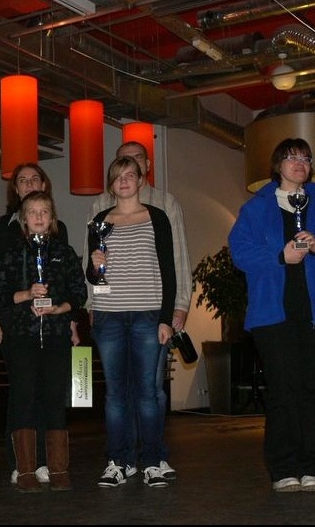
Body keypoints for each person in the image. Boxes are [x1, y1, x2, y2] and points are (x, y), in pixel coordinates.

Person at [228, 138, 315, 493]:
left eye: (306, 158)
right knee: (283, 390)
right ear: (277, 165)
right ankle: (283, 468)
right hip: (273, 314)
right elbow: (240, 253)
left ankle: (312, 468)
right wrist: (280, 256)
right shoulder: (255, 208)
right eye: (292, 157)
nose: (300, 163)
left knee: (314, 391)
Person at [85, 140, 192, 481]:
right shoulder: (99, 220)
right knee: (116, 394)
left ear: (142, 178)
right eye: (118, 175)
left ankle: (152, 462)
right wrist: (94, 266)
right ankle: (117, 461)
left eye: (131, 174)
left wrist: (167, 317)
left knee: (148, 392)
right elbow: (93, 276)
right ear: (111, 184)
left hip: (148, 314)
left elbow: (169, 270)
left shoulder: (158, 216)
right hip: (109, 316)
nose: (125, 180)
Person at [0, 190, 87, 493]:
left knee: (55, 399)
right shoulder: (12, 252)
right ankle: (25, 469)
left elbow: (79, 294)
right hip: (21, 336)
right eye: (32, 212)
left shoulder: (65, 252)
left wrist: (59, 309)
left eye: (44, 211)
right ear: (24, 219)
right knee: (24, 398)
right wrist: (27, 294)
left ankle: (57, 468)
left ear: (52, 217)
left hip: (56, 334)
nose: (39, 217)